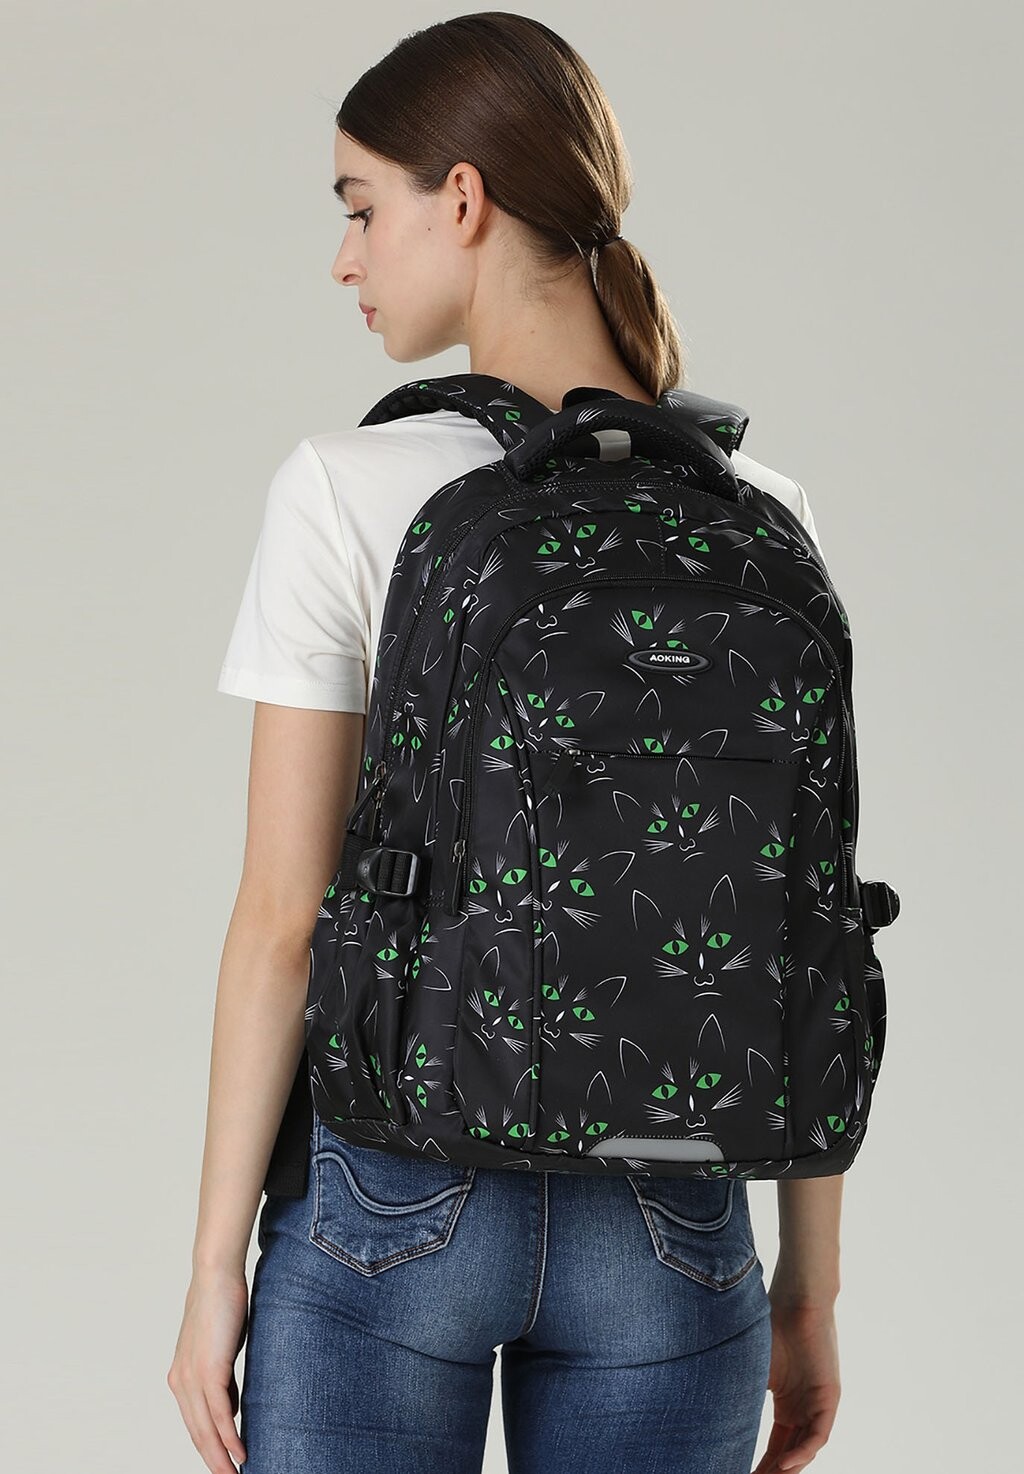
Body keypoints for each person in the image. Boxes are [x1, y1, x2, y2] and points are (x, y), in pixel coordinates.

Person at [167, 14, 841, 1474]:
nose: (345, 258)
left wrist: (214, 1262)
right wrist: (811, 1283)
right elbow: (804, 919)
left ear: (460, 199)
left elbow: (283, 918)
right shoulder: (760, 508)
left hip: (397, 1194)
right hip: (677, 1210)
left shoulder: (343, 485)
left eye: (361, 209)